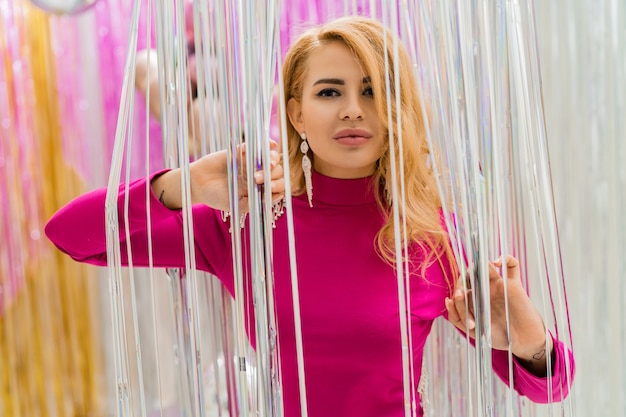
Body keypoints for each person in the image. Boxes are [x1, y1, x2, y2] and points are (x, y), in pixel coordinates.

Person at [46, 16, 575, 417]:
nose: (352, 109)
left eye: (372, 90)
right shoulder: (247, 223)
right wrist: (180, 185)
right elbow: (71, 236)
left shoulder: (430, 234)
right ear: (297, 113)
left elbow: (552, 387)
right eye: (330, 92)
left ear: (398, 110)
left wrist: (533, 347)